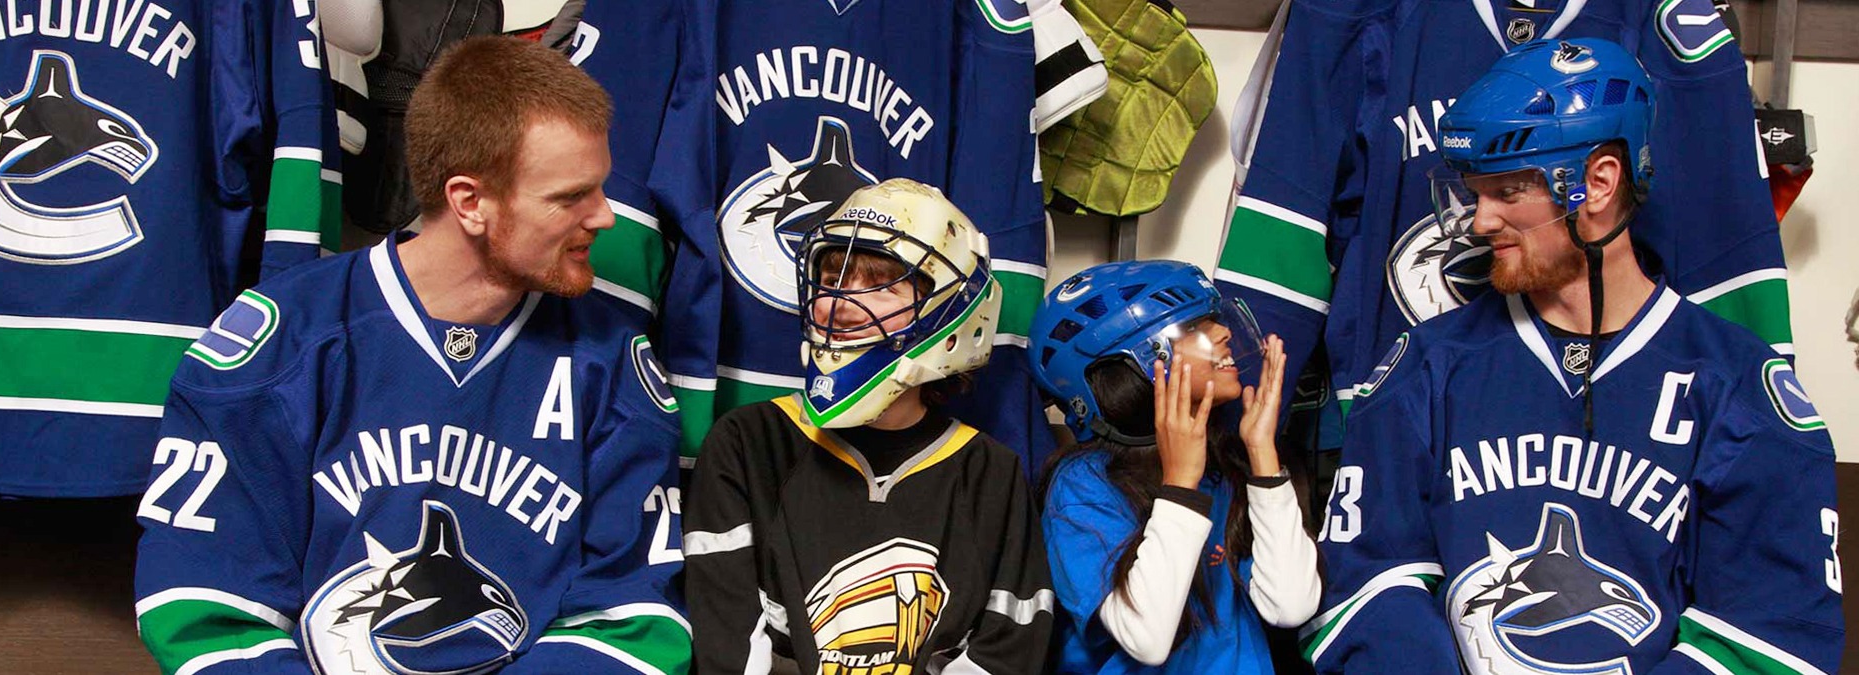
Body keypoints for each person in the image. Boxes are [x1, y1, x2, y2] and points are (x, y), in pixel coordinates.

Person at [133, 36, 691, 675]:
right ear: (470, 201)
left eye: (600, 189)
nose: (606, 218)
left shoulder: (614, 365)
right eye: (571, 197)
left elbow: (629, 618)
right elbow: (207, 604)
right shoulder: (280, 346)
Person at [1306, 38, 1844, 674]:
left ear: (1597, 182)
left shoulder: (1738, 391)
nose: (1480, 222)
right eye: (1476, 194)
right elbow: (1369, 583)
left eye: (1507, 191)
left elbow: (1771, 636)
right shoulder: (1425, 370)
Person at [683, 178, 1054, 674]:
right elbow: (728, 641)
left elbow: (1010, 646)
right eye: (833, 278)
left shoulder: (990, 472)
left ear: (948, 315)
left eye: (881, 284)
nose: (838, 303)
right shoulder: (748, 443)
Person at [1030, 260, 1322, 673]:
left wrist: (1262, 455)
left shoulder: (1224, 465)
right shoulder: (1082, 485)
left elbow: (1291, 606)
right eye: (1194, 328)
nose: (1222, 333)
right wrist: (1180, 486)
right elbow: (1146, 638)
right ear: (1127, 369)